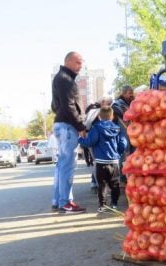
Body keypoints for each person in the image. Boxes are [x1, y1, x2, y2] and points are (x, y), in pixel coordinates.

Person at [50, 51, 86, 214]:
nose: (81, 66)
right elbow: (69, 106)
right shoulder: (66, 79)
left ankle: (59, 200)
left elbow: (54, 105)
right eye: (78, 62)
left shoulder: (59, 78)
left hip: (61, 125)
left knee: (61, 165)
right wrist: (81, 126)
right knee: (67, 166)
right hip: (67, 127)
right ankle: (66, 202)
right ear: (69, 61)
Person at [77, 106, 128, 213]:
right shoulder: (117, 128)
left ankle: (103, 206)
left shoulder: (96, 128)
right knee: (115, 184)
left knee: (102, 184)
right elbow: (123, 143)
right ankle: (114, 204)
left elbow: (90, 142)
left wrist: (80, 139)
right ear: (112, 116)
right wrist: (118, 153)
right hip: (114, 162)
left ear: (99, 117)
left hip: (101, 162)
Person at [83, 96, 113, 193]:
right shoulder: (95, 110)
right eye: (108, 104)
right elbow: (88, 125)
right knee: (98, 162)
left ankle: (98, 184)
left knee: (98, 162)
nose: (109, 106)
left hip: (96, 138)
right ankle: (100, 186)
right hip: (95, 139)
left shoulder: (93, 110)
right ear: (103, 102)